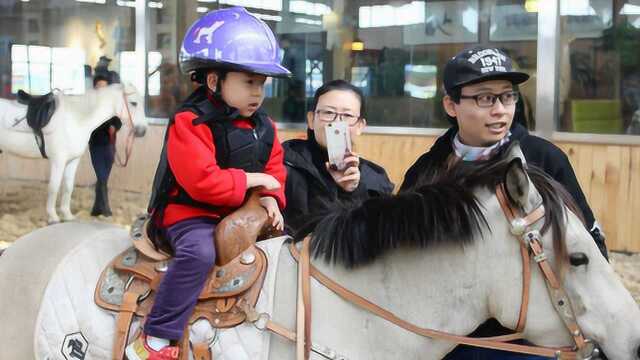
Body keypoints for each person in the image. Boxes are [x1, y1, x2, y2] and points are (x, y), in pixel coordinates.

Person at [399, 46, 608, 359]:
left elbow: (590, 246)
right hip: (446, 338)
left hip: (531, 338)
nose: (500, 110)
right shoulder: (427, 170)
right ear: (451, 105)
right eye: (484, 98)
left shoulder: (543, 160)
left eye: (508, 96)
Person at [125, 7, 290, 360]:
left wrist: (271, 197)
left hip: (239, 212)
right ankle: (155, 337)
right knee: (199, 254)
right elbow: (202, 182)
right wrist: (254, 180)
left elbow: (275, 169)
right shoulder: (190, 122)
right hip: (190, 215)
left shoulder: (266, 127)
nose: (257, 93)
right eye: (248, 82)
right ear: (214, 81)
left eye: (261, 83)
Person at [283, 79, 394, 233]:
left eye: (347, 115)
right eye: (328, 113)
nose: (337, 123)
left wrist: (352, 191)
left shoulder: (376, 180)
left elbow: (375, 238)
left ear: (360, 126)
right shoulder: (284, 163)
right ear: (311, 120)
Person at [88, 74, 122, 217]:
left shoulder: (111, 106)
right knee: (101, 176)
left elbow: (118, 121)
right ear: (95, 88)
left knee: (103, 177)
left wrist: (114, 126)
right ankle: (106, 208)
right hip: (96, 144)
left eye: (104, 87)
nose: (102, 90)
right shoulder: (90, 105)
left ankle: (96, 208)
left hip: (109, 145)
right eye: (99, 87)